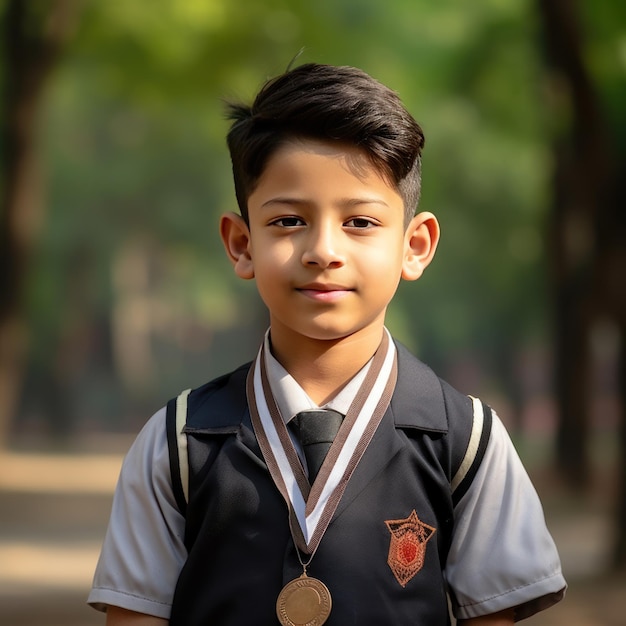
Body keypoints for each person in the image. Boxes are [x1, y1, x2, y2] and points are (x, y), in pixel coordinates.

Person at [89, 63, 566, 625]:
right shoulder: (177, 443)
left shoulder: (466, 441)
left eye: (360, 223)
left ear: (415, 245)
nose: (323, 250)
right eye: (289, 221)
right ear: (241, 244)